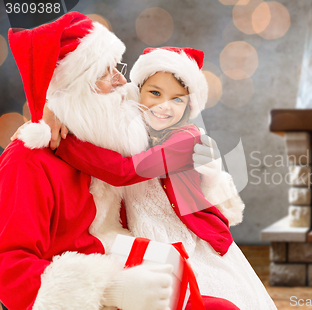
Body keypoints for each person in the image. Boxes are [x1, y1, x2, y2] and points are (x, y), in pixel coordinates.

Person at [0, 12, 235, 310]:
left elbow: (124, 165)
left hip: (123, 254)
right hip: (80, 290)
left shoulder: (105, 142)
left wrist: (58, 114)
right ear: (75, 86)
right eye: (105, 72)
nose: (122, 81)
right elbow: (9, 270)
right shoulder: (28, 161)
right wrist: (109, 291)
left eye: (117, 67)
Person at [51, 46, 278, 309]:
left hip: (185, 236)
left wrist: (64, 143)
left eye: (177, 99)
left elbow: (124, 171)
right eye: (155, 93)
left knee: (203, 294)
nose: (163, 106)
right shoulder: (130, 129)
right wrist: (57, 112)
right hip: (142, 234)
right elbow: (95, 109)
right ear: (138, 91)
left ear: (189, 105)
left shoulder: (186, 139)